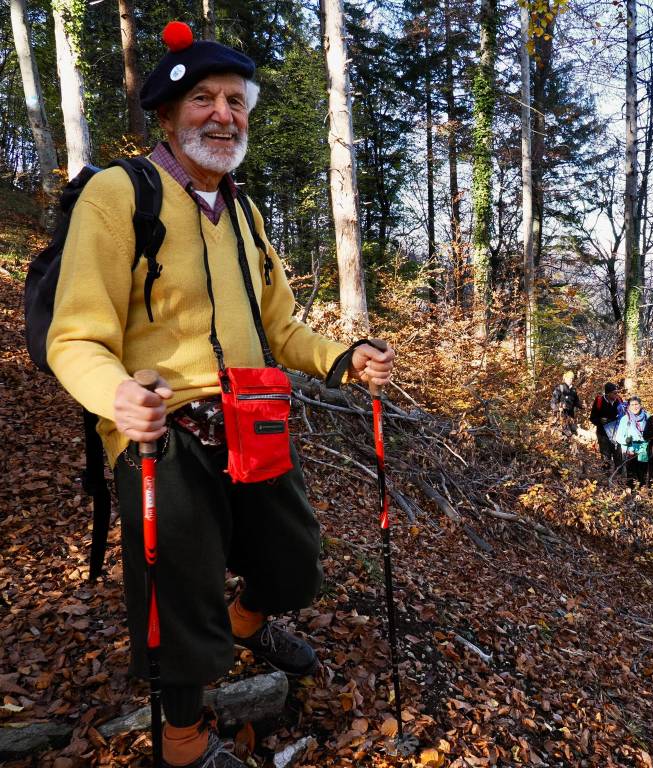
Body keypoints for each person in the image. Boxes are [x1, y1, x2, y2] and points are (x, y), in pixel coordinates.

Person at [45, 24, 396, 768]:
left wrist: (343, 356)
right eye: (201, 98)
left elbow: (281, 325)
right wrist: (116, 396)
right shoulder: (119, 195)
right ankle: (184, 741)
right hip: (161, 431)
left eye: (235, 101)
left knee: (294, 560)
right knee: (179, 594)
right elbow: (73, 335)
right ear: (168, 118)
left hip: (254, 417)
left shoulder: (242, 209)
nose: (222, 114)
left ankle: (248, 623)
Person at [613, 397, 649, 487]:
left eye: (636, 404)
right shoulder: (625, 419)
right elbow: (618, 437)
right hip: (630, 447)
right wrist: (625, 440)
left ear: (640, 405)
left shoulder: (647, 417)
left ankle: (641, 492)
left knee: (643, 471)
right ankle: (630, 492)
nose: (634, 407)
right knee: (631, 472)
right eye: (632, 405)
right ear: (628, 407)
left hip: (644, 447)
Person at [589, 382, 623, 471]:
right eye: (614, 393)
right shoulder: (599, 401)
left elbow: (624, 416)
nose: (617, 394)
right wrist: (600, 420)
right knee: (605, 456)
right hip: (603, 434)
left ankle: (619, 479)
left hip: (617, 434)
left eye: (617, 392)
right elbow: (592, 418)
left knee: (618, 457)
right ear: (608, 393)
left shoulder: (619, 400)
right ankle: (606, 477)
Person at [550, 370, 581, 437]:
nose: (571, 380)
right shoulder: (559, 388)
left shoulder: (573, 390)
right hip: (561, 419)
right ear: (565, 378)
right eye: (569, 378)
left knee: (573, 434)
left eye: (572, 378)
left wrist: (582, 406)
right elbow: (552, 403)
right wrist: (559, 407)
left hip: (571, 418)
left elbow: (576, 402)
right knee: (568, 436)